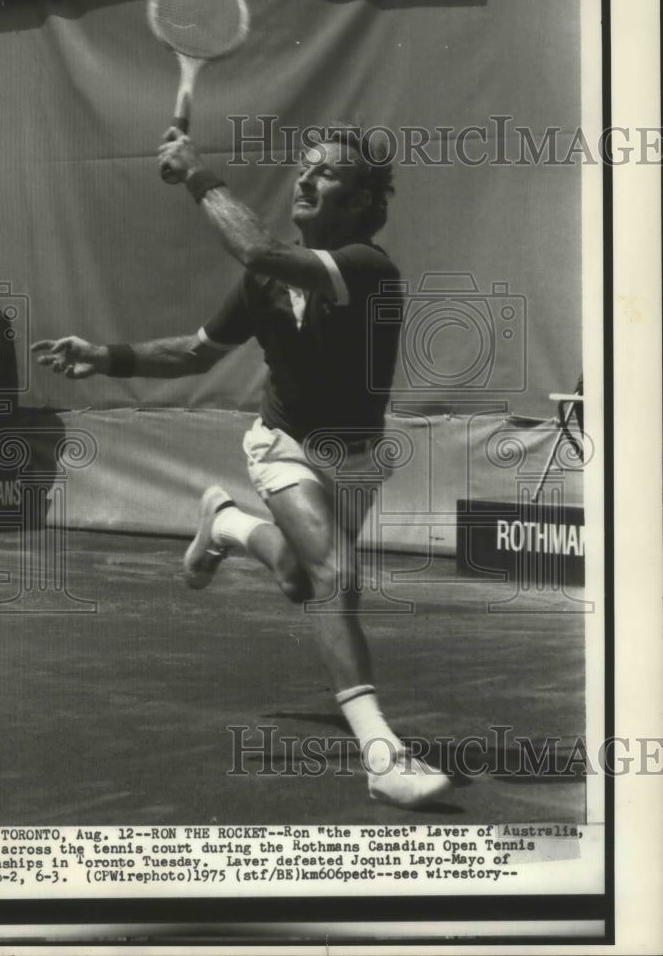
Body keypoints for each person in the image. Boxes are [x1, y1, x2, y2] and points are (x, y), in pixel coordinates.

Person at [32, 124, 450, 809]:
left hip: (357, 458)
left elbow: (257, 244)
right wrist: (105, 355)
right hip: (282, 443)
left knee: (297, 577)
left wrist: (197, 173)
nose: (307, 180)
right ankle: (383, 756)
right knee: (334, 575)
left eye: (328, 175)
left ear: (361, 202)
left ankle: (225, 523)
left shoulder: (367, 269)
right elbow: (197, 353)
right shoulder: (264, 282)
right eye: (303, 170)